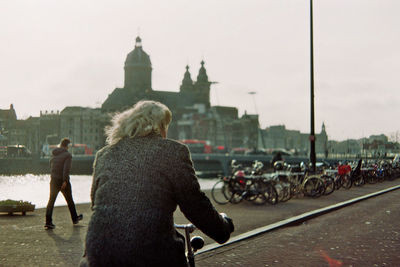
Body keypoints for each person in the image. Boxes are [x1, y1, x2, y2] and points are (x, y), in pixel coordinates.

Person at [80, 100, 234, 267]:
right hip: (150, 255)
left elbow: (96, 201)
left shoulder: (105, 154)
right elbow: (194, 203)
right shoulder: (173, 151)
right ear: (159, 125)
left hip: (98, 254)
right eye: (165, 125)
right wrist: (222, 229)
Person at [45, 138, 83, 229]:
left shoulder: (54, 154)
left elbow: (51, 166)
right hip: (62, 181)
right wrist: (65, 181)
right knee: (70, 200)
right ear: (67, 146)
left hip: (53, 180)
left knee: (51, 201)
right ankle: (74, 218)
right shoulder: (67, 155)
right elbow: (66, 169)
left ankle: (48, 222)